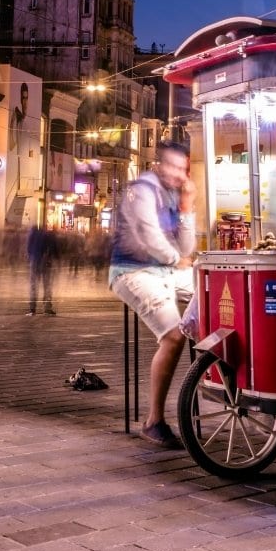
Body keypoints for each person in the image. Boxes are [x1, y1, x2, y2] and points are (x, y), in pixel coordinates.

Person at [108, 139, 197, 449]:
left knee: (214, 293)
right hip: (132, 270)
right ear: (157, 166)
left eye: (182, 169)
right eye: (171, 167)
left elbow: (186, 248)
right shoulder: (142, 190)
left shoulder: (175, 194)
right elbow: (149, 235)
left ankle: (215, 381)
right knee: (174, 335)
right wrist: (176, 259)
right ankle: (153, 420)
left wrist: (187, 207)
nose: (177, 174)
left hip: (167, 270)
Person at [26, 222, 57, 316]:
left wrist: (30, 258)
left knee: (33, 285)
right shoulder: (47, 235)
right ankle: (47, 308)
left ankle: (32, 309)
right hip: (45, 262)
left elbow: (29, 249)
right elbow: (52, 248)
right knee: (47, 285)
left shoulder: (32, 235)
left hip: (35, 261)